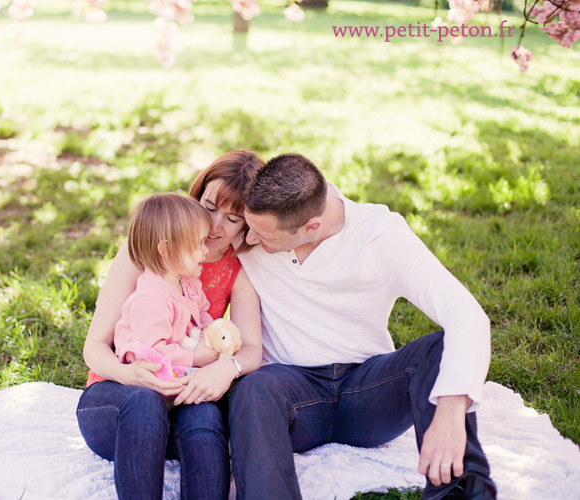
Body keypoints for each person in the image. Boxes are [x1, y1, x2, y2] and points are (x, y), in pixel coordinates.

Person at [229, 153, 496, 500]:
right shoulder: (252, 233)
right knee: (254, 389)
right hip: (292, 391)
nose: (249, 237)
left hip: (367, 392)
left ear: (310, 226)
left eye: (263, 234)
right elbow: (169, 238)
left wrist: (450, 409)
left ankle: (462, 492)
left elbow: (466, 313)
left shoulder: (380, 235)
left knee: (438, 349)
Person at [77, 150, 264, 500]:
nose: (214, 227)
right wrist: (127, 374)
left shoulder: (237, 269)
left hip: (180, 394)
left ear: (249, 223)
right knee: (144, 403)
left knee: (206, 413)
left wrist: (225, 367)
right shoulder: (146, 252)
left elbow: (251, 347)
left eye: (233, 219)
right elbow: (94, 347)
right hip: (119, 399)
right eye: (210, 207)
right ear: (197, 195)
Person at [113, 193, 214, 383]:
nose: (206, 250)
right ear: (166, 250)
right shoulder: (151, 299)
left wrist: (210, 331)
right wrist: (195, 357)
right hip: (147, 375)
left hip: (180, 366)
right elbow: (151, 352)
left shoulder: (188, 282)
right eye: (200, 243)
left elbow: (201, 312)